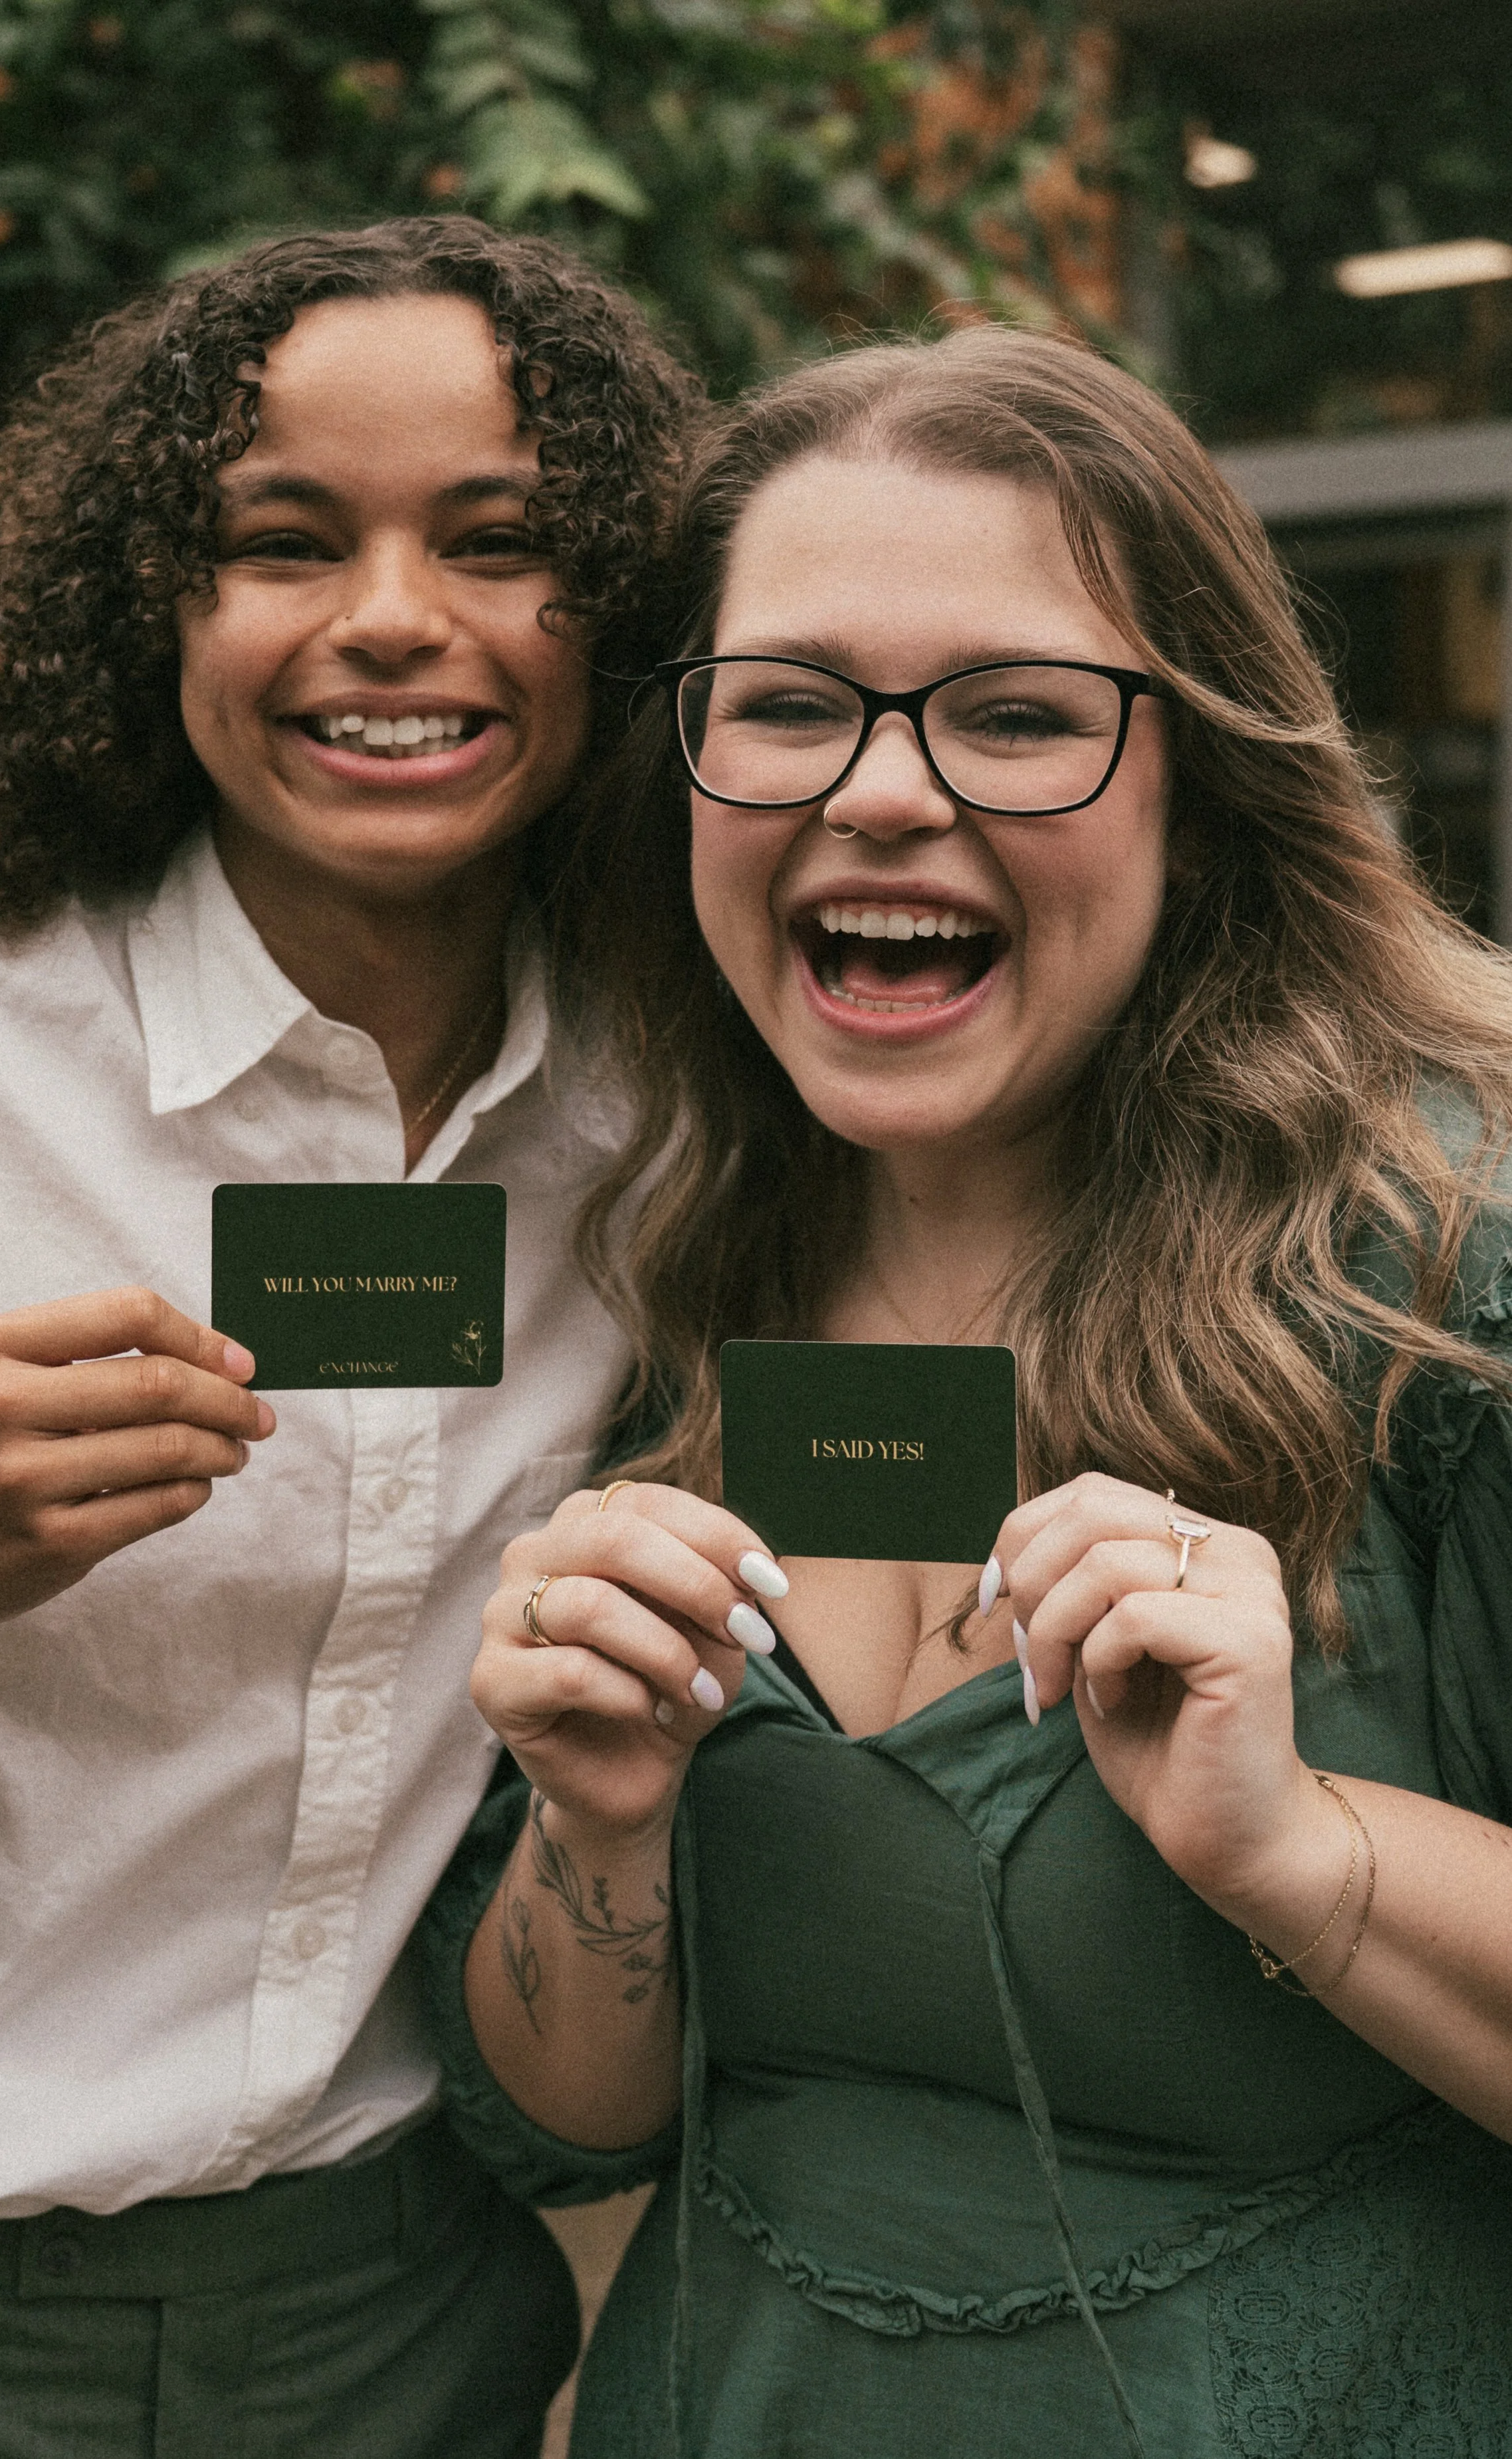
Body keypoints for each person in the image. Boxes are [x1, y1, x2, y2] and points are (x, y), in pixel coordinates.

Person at [422, 326, 1512, 2457]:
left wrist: (1294, 1849)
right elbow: (558, 2124)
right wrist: (594, 1826)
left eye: (1016, 716)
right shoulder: (644, 1275)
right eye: (791, 710)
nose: (880, 788)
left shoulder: (1448, 1284)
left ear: (1199, 785)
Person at [0, 217, 699, 2458]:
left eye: (502, 543)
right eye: (281, 543)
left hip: (398, 2318)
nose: (395, 622)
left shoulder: (680, 1110)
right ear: (153, 604)